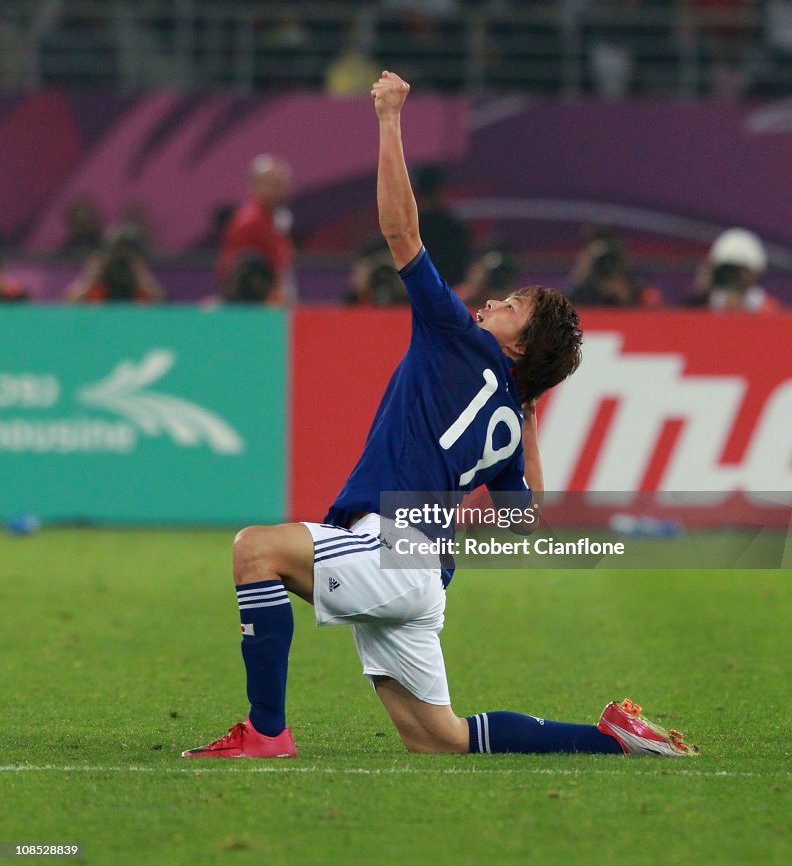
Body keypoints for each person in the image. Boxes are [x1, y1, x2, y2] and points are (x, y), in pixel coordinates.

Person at [183, 71, 697, 761]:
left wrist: (390, 119)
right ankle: (615, 741)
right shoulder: (511, 420)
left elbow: (399, 229)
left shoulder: (458, 337)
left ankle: (266, 733)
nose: (490, 302)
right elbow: (521, 519)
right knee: (440, 739)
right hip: (424, 576)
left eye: (509, 305)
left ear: (516, 342)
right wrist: (529, 414)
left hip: (394, 552)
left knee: (257, 549)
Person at [216, 155, 296, 304]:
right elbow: (234, 275)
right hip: (255, 308)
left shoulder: (276, 219)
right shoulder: (249, 222)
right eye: (275, 185)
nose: (282, 191)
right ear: (255, 186)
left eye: (283, 184)